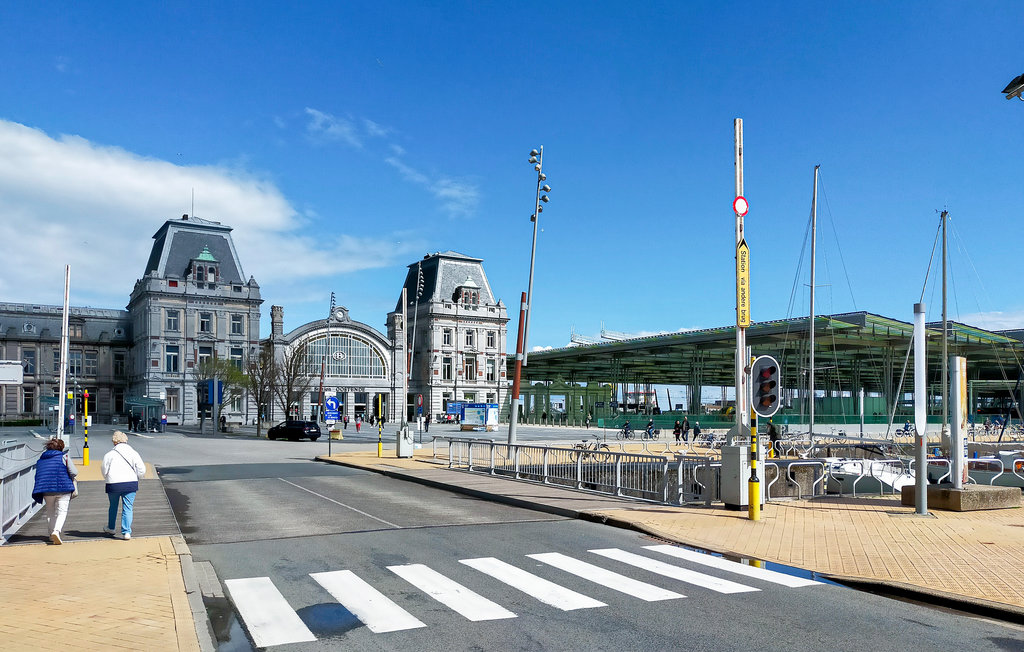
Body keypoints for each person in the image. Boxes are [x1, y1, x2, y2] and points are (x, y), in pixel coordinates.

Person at [101, 431, 146, 540]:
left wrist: (107, 477)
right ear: (126, 440)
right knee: (128, 507)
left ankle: (111, 527)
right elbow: (141, 469)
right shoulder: (134, 453)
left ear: (114, 441)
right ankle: (126, 532)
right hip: (130, 483)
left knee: (113, 506)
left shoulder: (109, 454)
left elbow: (104, 470)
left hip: (113, 484)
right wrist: (139, 476)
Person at [31, 437, 77, 545]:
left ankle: (51, 534)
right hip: (63, 488)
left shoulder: (41, 459)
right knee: (62, 512)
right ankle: (56, 531)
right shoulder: (64, 457)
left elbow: (38, 475)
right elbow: (74, 472)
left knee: (50, 512)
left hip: (47, 490)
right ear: (61, 448)